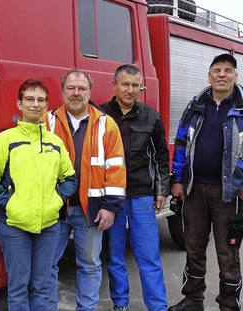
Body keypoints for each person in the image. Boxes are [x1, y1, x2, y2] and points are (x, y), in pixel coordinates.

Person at [169, 53, 243, 311]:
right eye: (216, 70)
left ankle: (229, 305)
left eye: (227, 70)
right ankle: (192, 300)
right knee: (194, 248)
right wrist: (178, 179)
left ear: (236, 75)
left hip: (231, 193)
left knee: (228, 253)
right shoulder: (195, 105)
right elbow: (181, 144)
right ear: (209, 75)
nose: (221, 74)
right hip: (194, 189)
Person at [0, 79, 78, 311]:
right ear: (19, 104)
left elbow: (70, 179)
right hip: (14, 226)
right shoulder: (5, 140)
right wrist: (10, 203)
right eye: (29, 99)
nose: (35, 104)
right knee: (18, 286)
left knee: (42, 285)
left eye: (41, 100)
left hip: (49, 226)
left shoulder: (55, 143)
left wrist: (56, 200)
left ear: (46, 106)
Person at [46, 69, 126, 311]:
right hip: (54, 209)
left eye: (81, 88)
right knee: (47, 264)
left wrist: (110, 207)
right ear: (62, 92)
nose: (76, 93)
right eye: (71, 88)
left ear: (90, 92)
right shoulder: (46, 121)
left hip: (89, 209)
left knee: (89, 265)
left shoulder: (106, 124)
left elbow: (115, 167)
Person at [100, 64, 170, 311]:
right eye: (125, 84)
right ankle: (120, 303)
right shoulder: (101, 115)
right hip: (112, 197)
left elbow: (162, 156)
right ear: (115, 85)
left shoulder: (150, 115)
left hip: (142, 195)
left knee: (148, 255)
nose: (130, 90)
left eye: (135, 85)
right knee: (114, 254)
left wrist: (161, 190)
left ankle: (157, 306)